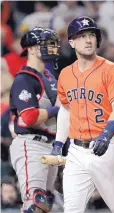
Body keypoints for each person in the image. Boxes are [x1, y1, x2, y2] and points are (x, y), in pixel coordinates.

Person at [50, 16, 114, 213]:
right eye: (81, 36)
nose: (88, 40)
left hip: (108, 147)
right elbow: (65, 110)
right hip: (76, 151)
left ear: (97, 40)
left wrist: (106, 133)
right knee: (71, 209)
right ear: (71, 42)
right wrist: (58, 144)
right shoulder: (65, 74)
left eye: (91, 35)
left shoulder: (111, 70)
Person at [9, 27, 60, 213]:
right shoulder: (24, 79)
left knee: (48, 204)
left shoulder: (51, 78)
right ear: (30, 49)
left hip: (53, 145)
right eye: (44, 44)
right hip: (31, 144)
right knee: (36, 202)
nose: (50, 47)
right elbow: (29, 117)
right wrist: (58, 109)